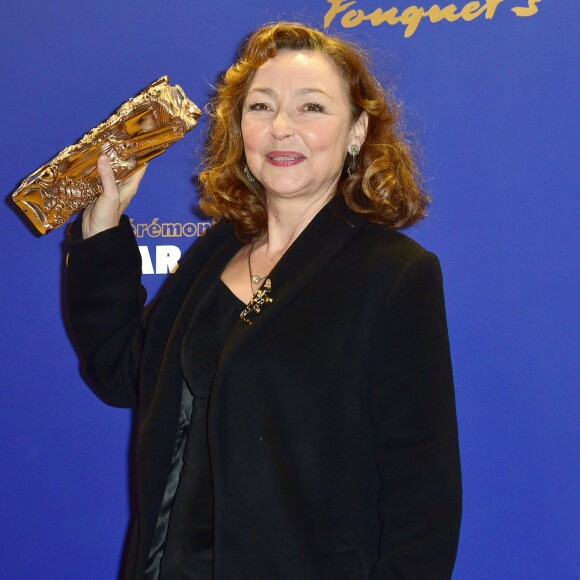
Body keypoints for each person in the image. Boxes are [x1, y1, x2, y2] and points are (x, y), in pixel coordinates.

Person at [66, 22, 461, 580]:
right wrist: (103, 228)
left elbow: (424, 501)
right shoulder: (215, 253)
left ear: (357, 131)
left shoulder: (394, 275)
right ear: (239, 126)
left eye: (312, 108)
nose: (281, 128)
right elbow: (120, 371)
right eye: (261, 107)